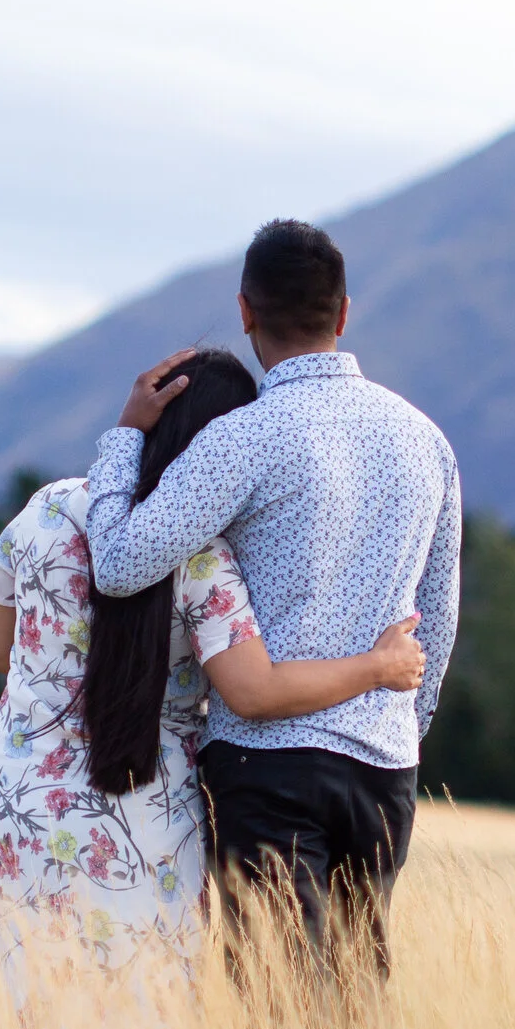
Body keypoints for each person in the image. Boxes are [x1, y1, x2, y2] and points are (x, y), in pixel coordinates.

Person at [0, 348, 424, 1029]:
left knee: (13, 1006)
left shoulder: (43, 511)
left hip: (15, 803)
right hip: (142, 815)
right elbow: (256, 691)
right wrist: (378, 667)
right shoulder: (203, 558)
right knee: (133, 1025)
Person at [84, 219, 461, 986]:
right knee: (356, 1003)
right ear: (344, 312)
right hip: (384, 768)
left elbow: (121, 564)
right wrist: (395, 730)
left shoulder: (245, 438)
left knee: (278, 1012)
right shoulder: (427, 441)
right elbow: (438, 619)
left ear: (246, 311)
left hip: (266, 767)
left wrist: (126, 437)